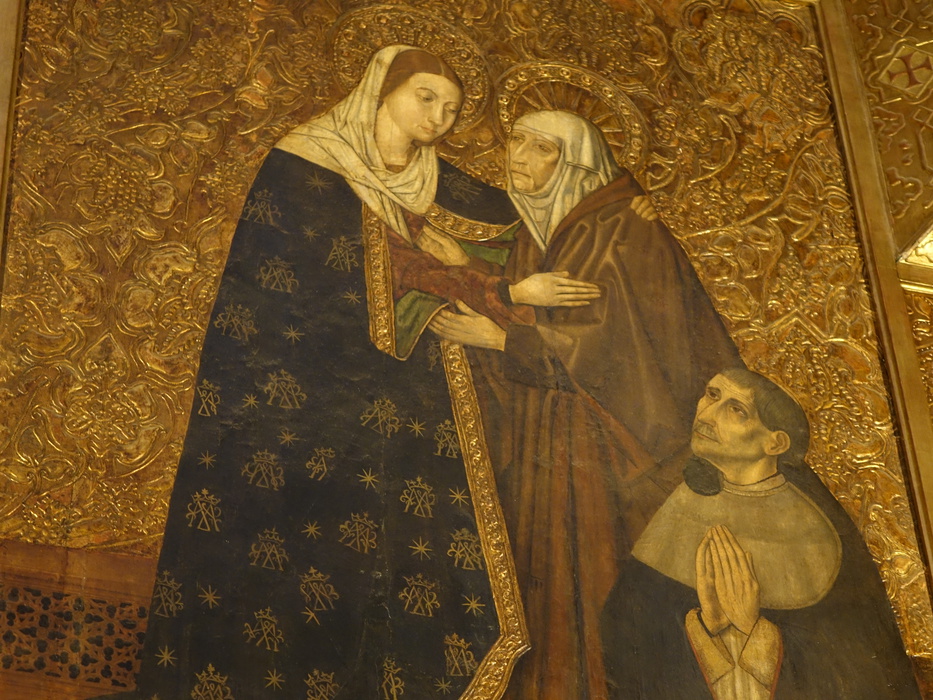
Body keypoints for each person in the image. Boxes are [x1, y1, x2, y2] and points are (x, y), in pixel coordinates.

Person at [97, 47, 598, 700]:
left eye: (451, 109)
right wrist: (493, 288)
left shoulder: (447, 187)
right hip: (294, 400)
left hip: (403, 413)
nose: (438, 118)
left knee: (389, 565)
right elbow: (329, 275)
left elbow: (520, 225)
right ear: (381, 89)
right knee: (290, 552)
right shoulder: (304, 166)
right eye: (425, 97)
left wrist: (602, 215)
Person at [431, 110, 743, 699]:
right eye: (515, 141)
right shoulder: (538, 232)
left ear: (574, 164)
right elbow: (543, 308)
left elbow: (618, 348)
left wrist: (502, 340)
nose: (518, 156)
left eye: (539, 148)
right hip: (548, 439)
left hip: (604, 444)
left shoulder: (626, 228)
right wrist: (469, 270)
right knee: (544, 580)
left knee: (597, 577)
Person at [601, 368, 922, 699]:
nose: (707, 416)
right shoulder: (680, 505)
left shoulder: (818, 533)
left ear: (776, 442)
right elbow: (627, 636)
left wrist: (752, 631)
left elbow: (858, 672)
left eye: (736, 409)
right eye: (712, 395)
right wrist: (706, 628)